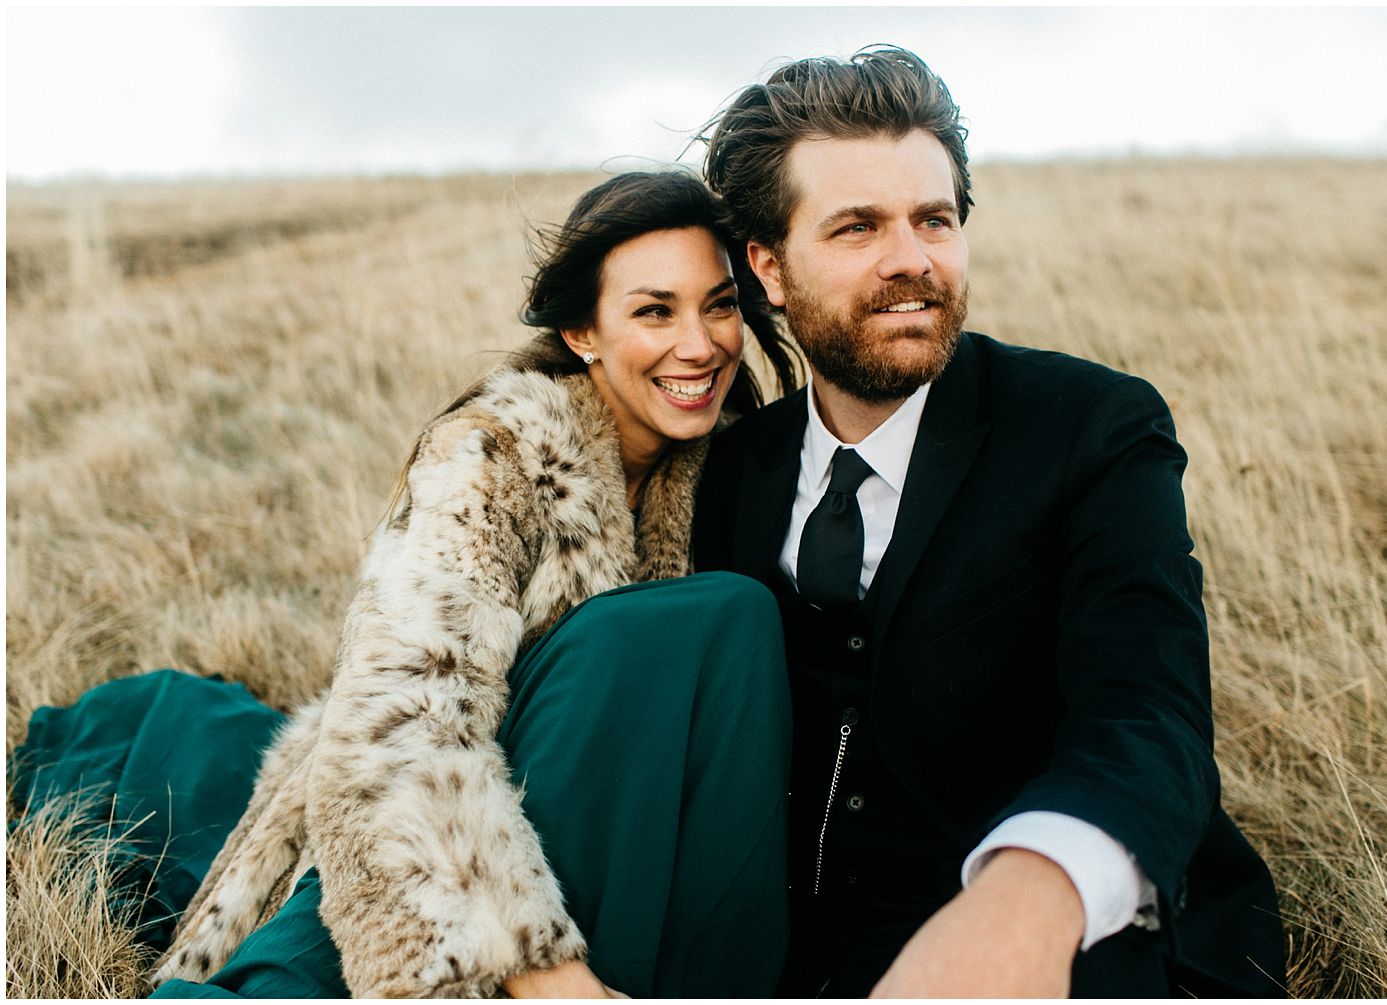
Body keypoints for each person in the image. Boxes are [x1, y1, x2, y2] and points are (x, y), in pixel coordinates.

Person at [10, 170, 801, 999]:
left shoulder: (730, 473)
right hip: (435, 832)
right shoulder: (494, 457)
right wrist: (538, 966)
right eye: (654, 310)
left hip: (612, 834)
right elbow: (402, 723)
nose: (702, 343)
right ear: (582, 331)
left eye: (718, 305)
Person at [693, 47, 1286, 997]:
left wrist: (1031, 895)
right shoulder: (735, 468)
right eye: (857, 227)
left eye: (935, 218)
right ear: (769, 266)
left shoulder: (1092, 426)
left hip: (1074, 933)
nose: (913, 259)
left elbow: (1147, 710)